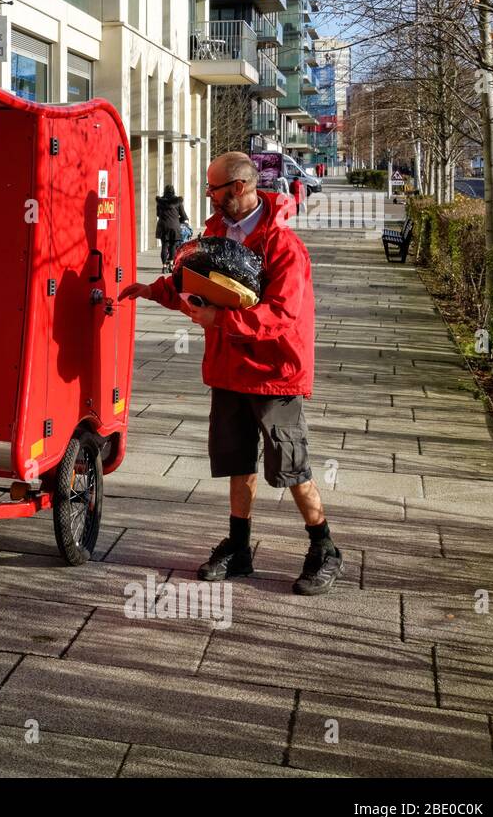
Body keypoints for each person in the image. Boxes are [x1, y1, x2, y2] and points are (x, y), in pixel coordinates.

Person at [119, 151, 343, 596]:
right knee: (237, 462)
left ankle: (325, 547)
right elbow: (191, 280)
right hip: (229, 369)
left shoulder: (283, 245)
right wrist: (151, 290)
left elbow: (282, 315)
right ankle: (239, 548)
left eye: (214, 188)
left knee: (292, 467)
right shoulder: (217, 232)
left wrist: (219, 320)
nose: (208, 195)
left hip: (274, 373)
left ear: (238, 187)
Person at [155, 185, 189, 274]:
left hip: (163, 226)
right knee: (173, 245)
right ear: (173, 191)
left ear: (164, 191)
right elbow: (184, 216)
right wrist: (178, 220)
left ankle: (164, 266)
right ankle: (171, 264)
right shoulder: (178, 202)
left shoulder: (160, 202)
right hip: (174, 226)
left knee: (164, 245)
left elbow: (158, 214)